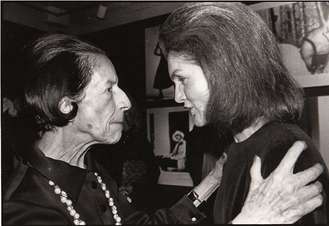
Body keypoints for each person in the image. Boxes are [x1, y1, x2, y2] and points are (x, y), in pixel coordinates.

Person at [2, 33, 324, 225]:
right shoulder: (23, 209)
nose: (126, 101)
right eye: (110, 89)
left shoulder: (93, 174)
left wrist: (211, 181)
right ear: (66, 104)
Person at [159, 2, 329, 224]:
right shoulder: (238, 145)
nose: (178, 96)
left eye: (182, 79)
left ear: (222, 71)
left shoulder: (283, 152)